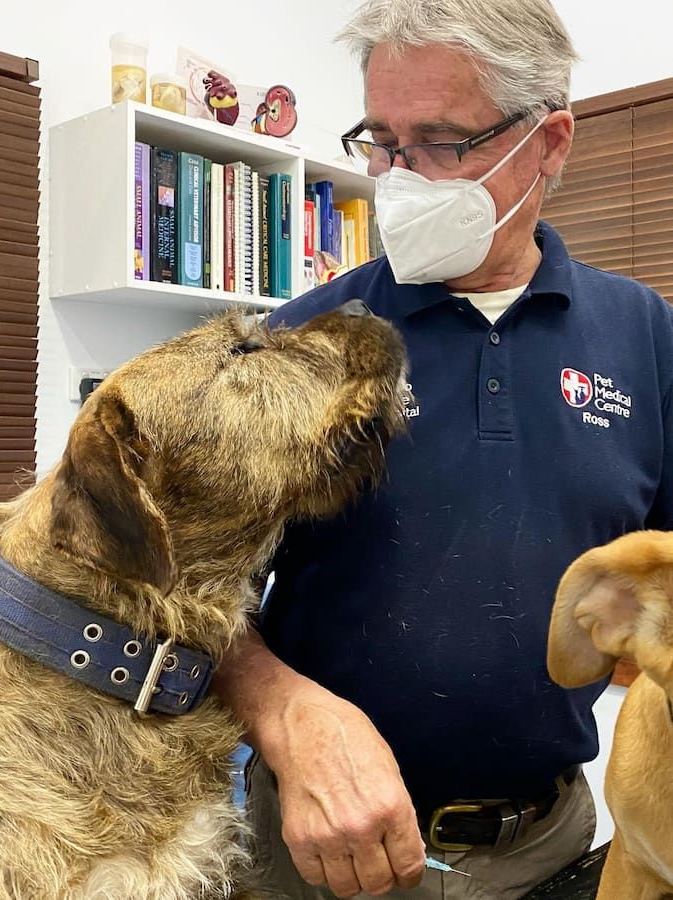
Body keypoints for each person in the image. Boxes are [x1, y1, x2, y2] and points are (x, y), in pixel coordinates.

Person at [213, 1, 673, 897]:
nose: (398, 176)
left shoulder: (649, 341)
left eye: (440, 141)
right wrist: (283, 711)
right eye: (380, 139)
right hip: (323, 855)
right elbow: (187, 597)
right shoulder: (301, 342)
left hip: (557, 847)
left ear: (548, 143)